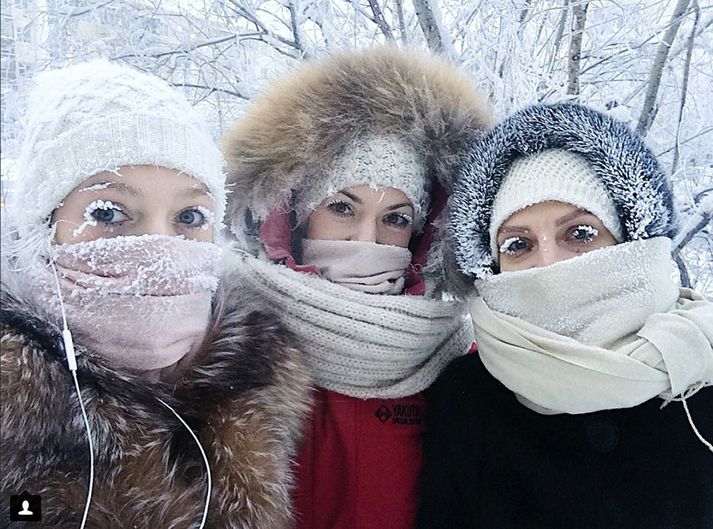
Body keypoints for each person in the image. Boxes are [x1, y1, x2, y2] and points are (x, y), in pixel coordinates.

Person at [0, 60, 310, 528]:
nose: (159, 249)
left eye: (189, 218)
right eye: (108, 212)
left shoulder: (257, 384)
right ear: (41, 225)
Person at [221, 46, 492, 529]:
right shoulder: (225, 350)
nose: (367, 240)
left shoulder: (454, 367)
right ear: (295, 216)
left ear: (423, 233)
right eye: (342, 208)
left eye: (395, 219)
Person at [417, 102, 713, 529]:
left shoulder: (700, 378)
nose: (550, 264)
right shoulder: (466, 399)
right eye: (518, 245)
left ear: (629, 239)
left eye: (579, 234)